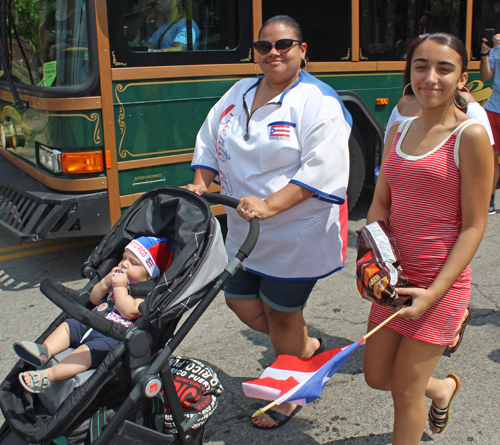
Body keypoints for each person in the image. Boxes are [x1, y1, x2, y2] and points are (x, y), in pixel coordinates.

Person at [185, 15, 351, 429]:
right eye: (264, 47)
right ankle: (302, 346)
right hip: (244, 230)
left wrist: (270, 206)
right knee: (239, 301)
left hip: (297, 234)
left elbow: (322, 171)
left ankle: (289, 388)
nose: (273, 53)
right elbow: (210, 137)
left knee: (281, 316)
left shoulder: (320, 101)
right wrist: (200, 183)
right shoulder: (239, 92)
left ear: (302, 50)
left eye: (284, 45)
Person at [363, 33, 493, 444]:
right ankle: (441, 388)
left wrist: (434, 292)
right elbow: (380, 204)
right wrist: (373, 261)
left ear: (462, 79)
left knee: (404, 391)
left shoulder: (469, 136)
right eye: (421, 66)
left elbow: (474, 225)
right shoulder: (398, 130)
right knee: (376, 376)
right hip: (395, 281)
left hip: (441, 285)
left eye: (444, 68)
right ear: (410, 72)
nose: (430, 77)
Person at [14, 236, 173, 394]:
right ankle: (44, 351)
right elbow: (94, 298)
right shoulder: (117, 280)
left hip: (111, 337)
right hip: (93, 322)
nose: (124, 263)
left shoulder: (145, 295)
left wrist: (119, 287)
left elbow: (128, 310)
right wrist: (105, 282)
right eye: (124, 258)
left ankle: (48, 376)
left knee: (84, 353)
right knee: (68, 326)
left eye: (133, 263)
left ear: (148, 276)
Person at [480, 34, 500, 214]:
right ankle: (489, 201)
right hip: (493, 109)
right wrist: (486, 54)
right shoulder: (497, 49)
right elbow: (486, 75)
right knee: (491, 158)